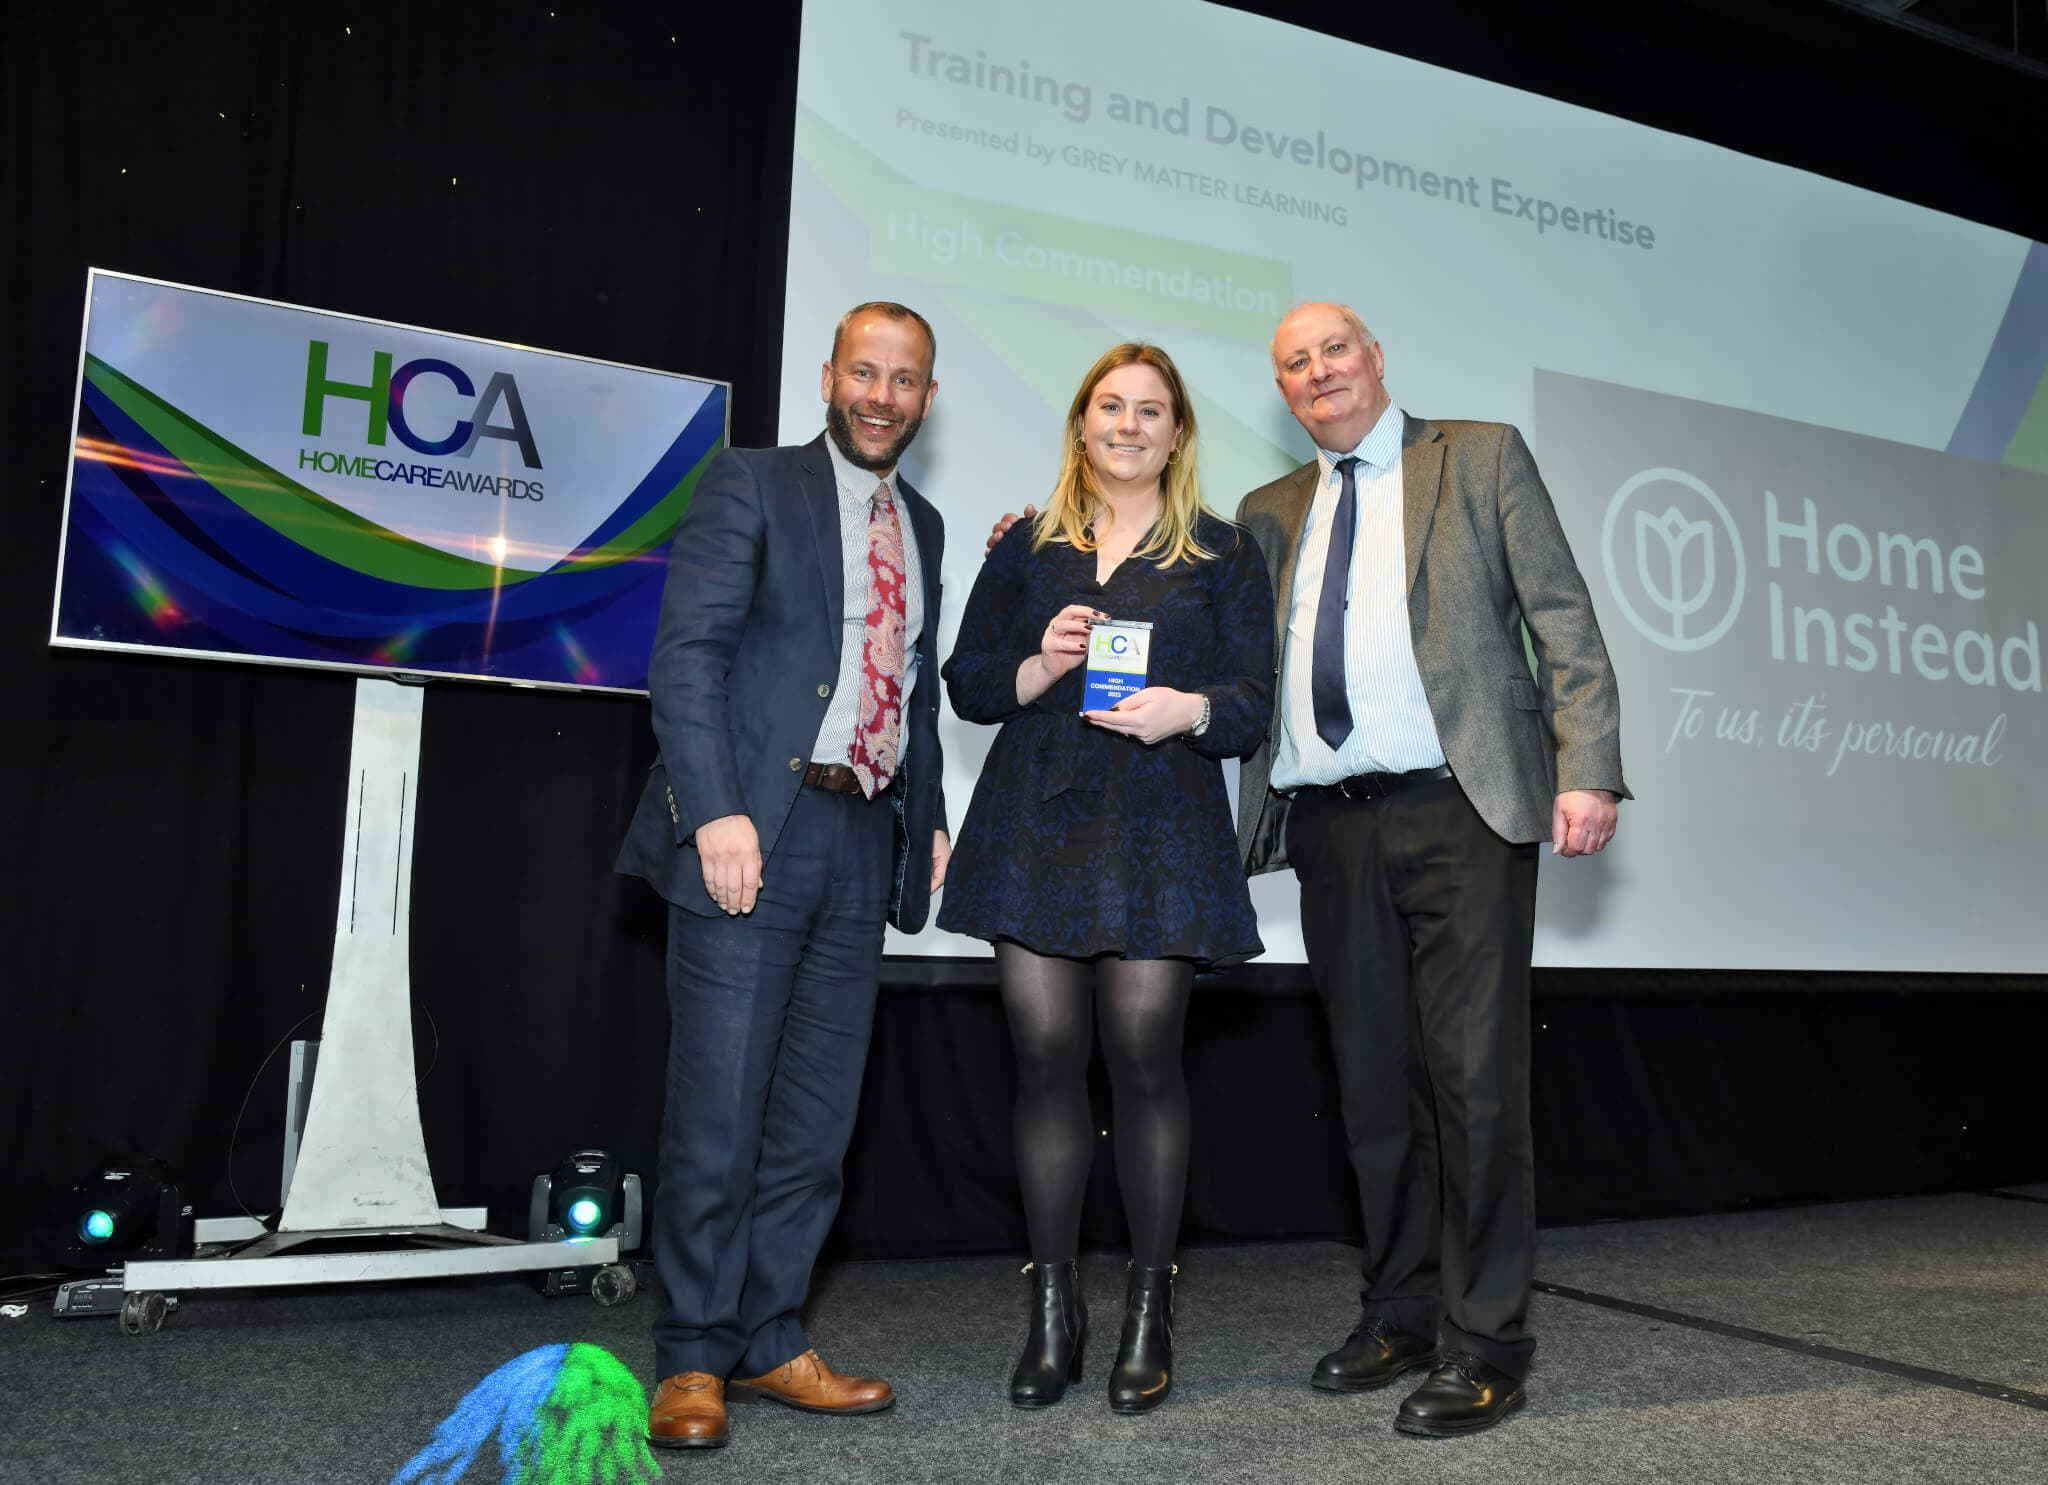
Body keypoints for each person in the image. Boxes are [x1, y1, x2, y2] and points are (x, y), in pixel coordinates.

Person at [1238, 301, 1628, 1436]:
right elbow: (1211, 641)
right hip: (1330, 826)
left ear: (1372, 359)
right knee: (1371, 1091)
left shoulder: (1481, 453)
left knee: (1474, 1083)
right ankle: (1398, 1307)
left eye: (1332, 351)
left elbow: (1562, 617)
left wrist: (1586, 767)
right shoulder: (1268, 512)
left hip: (1464, 810)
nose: (1317, 373)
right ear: (1283, 391)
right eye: (1294, 364)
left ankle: (1487, 1340)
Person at [615, 301, 951, 1452]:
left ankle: (767, 1339)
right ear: (828, 376)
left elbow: (910, 691)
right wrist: (714, 810)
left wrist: (931, 815)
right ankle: (692, 1353)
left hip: (863, 839)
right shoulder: (751, 484)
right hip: (752, 833)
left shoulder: (929, 527)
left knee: (815, 1121)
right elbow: (687, 661)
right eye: (865, 371)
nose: (881, 395)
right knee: (719, 1108)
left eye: (903, 380)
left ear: (926, 399)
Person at [940, 343, 1274, 1414]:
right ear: (1079, 425)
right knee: (1044, 1058)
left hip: (1160, 825)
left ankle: (1146, 1306)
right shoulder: (1026, 545)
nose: (1127, 425)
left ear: (1178, 432)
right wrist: (1038, 658)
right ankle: (1050, 1312)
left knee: (1141, 1057)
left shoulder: (1221, 552)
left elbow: (1253, 704)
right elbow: (969, 684)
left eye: (1150, 410)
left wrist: (1191, 709)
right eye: (1108, 407)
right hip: (1035, 819)